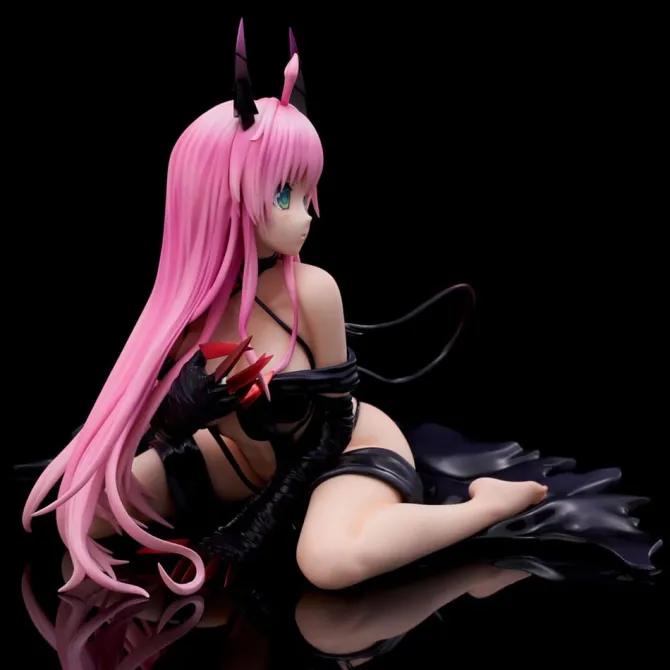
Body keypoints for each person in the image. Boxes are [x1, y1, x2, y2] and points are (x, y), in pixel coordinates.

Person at [20, 20, 661, 599]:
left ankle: (484, 507)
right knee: (80, 510)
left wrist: (253, 528)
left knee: (328, 563)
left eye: (307, 193)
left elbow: (332, 427)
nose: (306, 216)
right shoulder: (177, 316)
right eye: (284, 194)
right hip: (238, 466)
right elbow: (141, 428)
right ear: (217, 195)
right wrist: (173, 422)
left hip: (346, 451)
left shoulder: (311, 290)